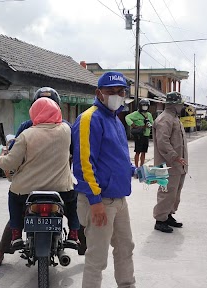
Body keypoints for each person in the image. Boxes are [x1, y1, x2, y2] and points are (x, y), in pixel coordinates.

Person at [0, 96, 78, 266]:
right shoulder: (67, 130)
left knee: (14, 198)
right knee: (73, 200)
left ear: (34, 113)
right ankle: (74, 232)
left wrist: (1, 158)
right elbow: (76, 152)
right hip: (60, 189)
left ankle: (16, 234)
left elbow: (11, 162)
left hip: (27, 191)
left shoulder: (26, 133)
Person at [72, 71, 137, 288]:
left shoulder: (116, 119)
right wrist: (95, 201)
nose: (117, 96)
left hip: (119, 200)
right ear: (99, 93)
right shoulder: (90, 118)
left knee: (126, 248)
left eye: (121, 92)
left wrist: (135, 171)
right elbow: (84, 164)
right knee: (97, 258)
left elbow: (117, 157)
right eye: (111, 92)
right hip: (100, 201)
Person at [152, 91, 188, 233]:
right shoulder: (165, 119)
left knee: (175, 192)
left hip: (178, 165)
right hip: (168, 165)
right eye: (180, 104)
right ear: (174, 105)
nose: (181, 107)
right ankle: (160, 219)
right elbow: (163, 142)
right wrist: (174, 156)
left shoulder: (174, 118)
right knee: (166, 192)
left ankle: (168, 215)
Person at [125, 99, 154, 167]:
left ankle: (142, 166)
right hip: (139, 135)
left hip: (146, 135)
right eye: (143, 106)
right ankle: (136, 167)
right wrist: (133, 125)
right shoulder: (136, 114)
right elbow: (127, 117)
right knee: (138, 152)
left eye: (146, 106)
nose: (145, 107)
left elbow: (152, 123)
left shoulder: (149, 114)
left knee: (144, 152)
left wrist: (150, 125)